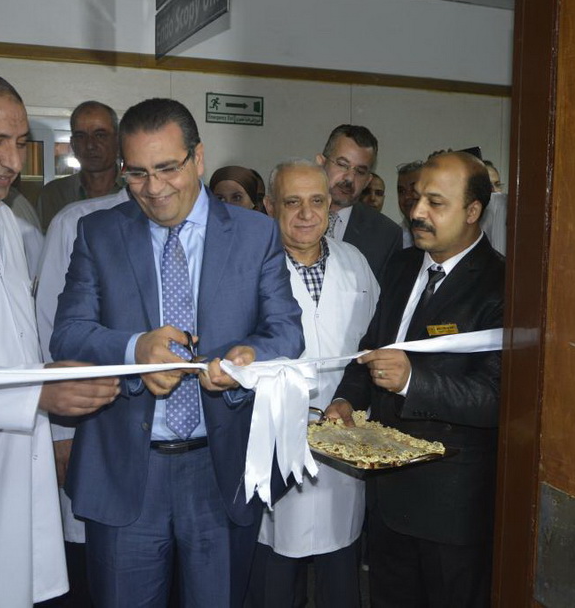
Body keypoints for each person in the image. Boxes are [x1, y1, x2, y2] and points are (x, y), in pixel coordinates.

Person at [50, 97, 304, 608]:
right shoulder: (99, 233)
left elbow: (286, 332)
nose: (154, 188)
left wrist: (246, 359)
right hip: (126, 469)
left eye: (168, 168)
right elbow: (68, 334)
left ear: (198, 158)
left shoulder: (255, 234)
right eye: (137, 173)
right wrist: (134, 349)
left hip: (221, 467)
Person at [0, 67, 120, 608]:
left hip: (18, 455)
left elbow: (20, 337)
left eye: (20, 142)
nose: (12, 161)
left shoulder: (5, 222)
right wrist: (37, 393)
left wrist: (51, 378)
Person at [326, 150, 504, 608]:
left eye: (435, 203)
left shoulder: (504, 284)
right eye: (417, 198)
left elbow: (496, 398)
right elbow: (372, 345)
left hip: (451, 507)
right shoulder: (403, 265)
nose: (417, 212)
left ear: (473, 211)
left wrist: (412, 382)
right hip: (387, 499)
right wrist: (347, 399)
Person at [249, 160, 379, 608]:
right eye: (292, 202)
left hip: (345, 443)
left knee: (340, 574)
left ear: (330, 206)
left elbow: (372, 345)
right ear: (270, 207)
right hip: (275, 446)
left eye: (317, 201)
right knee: (274, 579)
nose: (307, 214)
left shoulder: (354, 262)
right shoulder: (250, 267)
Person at [34, 186, 132, 607]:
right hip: (93, 422)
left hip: (173, 449)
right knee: (95, 567)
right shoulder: (77, 222)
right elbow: (48, 326)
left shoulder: (197, 224)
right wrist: (60, 433)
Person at [317, 124, 402, 282]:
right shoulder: (290, 217)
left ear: (368, 180)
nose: (350, 178)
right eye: (342, 165)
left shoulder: (387, 235)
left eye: (360, 171)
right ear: (321, 163)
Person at [37, 100, 123, 230]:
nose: (90, 145)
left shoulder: (136, 191)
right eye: (81, 136)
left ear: (117, 141)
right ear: (73, 144)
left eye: (100, 135)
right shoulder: (53, 195)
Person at [395, 161, 423, 249]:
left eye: (413, 189)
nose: (407, 196)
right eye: (402, 191)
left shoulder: (444, 234)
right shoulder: (393, 238)